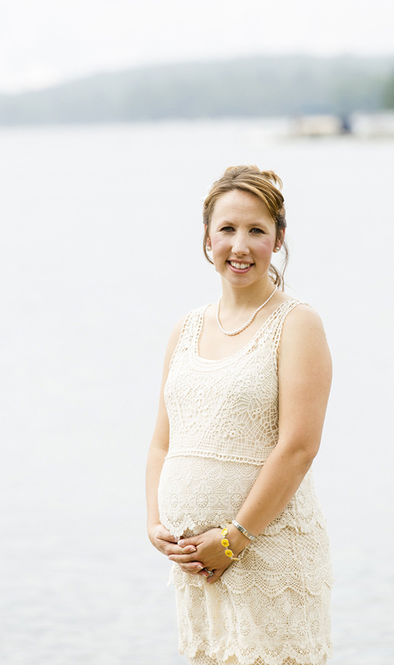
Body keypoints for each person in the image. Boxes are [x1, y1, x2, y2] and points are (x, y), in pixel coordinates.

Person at [145, 166, 335, 665]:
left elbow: (299, 448)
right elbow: (163, 443)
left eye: (256, 230)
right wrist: (155, 524)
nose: (240, 246)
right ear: (207, 238)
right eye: (227, 229)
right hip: (197, 569)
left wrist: (232, 541)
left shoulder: (297, 324)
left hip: (266, 557)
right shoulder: (184, 329)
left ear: (279, 238)